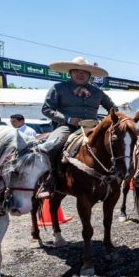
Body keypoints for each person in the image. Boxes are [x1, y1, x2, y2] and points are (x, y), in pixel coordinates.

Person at [38, 57, 116, 198]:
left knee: (114, 144)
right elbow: (46, 109)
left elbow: (113, 108)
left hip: (93, 127)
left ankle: (115, 176)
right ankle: (49, 180)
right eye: (76, 71)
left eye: (84, 72)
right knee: (51, 147)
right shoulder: (58, 88)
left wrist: (111, 120)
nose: (80, 74)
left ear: (89, 75)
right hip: (67, 127)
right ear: (70, 72)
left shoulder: (98, 92)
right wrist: (67, 119)